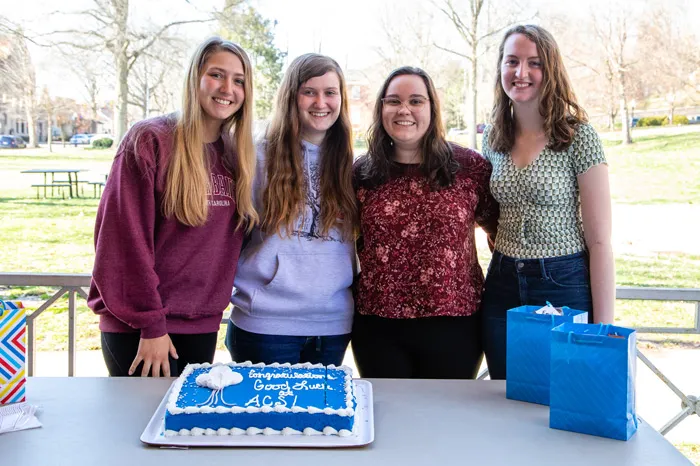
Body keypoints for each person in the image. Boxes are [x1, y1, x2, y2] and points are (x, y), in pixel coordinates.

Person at [88, 37, 258, 377]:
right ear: (195, 78)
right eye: (216, 75)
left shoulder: (236, 155)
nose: (228, 88)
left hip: (201, 325)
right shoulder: (150, 140)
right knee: (138, 428)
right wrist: (151, 324)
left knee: (185, 429)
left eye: (239, 80)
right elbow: (123, 243)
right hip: (140, 329)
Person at [480, 24, 615, 380]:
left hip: (563, 282)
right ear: (501, 68)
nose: (521, 73)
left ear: (550, 70)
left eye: (534, 63)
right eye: (512, 61)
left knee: (565, 398)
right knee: (506, 398)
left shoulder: (577, 136)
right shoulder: (493, 139)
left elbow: (600, 240)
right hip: (502, 281)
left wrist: (604, 328)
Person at [352, 66, 499, 379]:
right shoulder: (360, 173)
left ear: (432, 108)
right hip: (378, 328)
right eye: (393, 101)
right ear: (381, 109)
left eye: (416, 101)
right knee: (388, 424)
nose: (404, 110)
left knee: (446, 424)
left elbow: (498, 230)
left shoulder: (469, 167)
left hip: (455, 325)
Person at [226, 53, 358, 366]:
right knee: (267, 416)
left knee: (320, 416)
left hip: (333, 325)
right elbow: (230, 235)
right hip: (265, 324)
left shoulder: (349, 164)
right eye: (309, 92)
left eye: (330, 92)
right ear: (290, 97)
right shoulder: (256, 158)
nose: (320, 102)